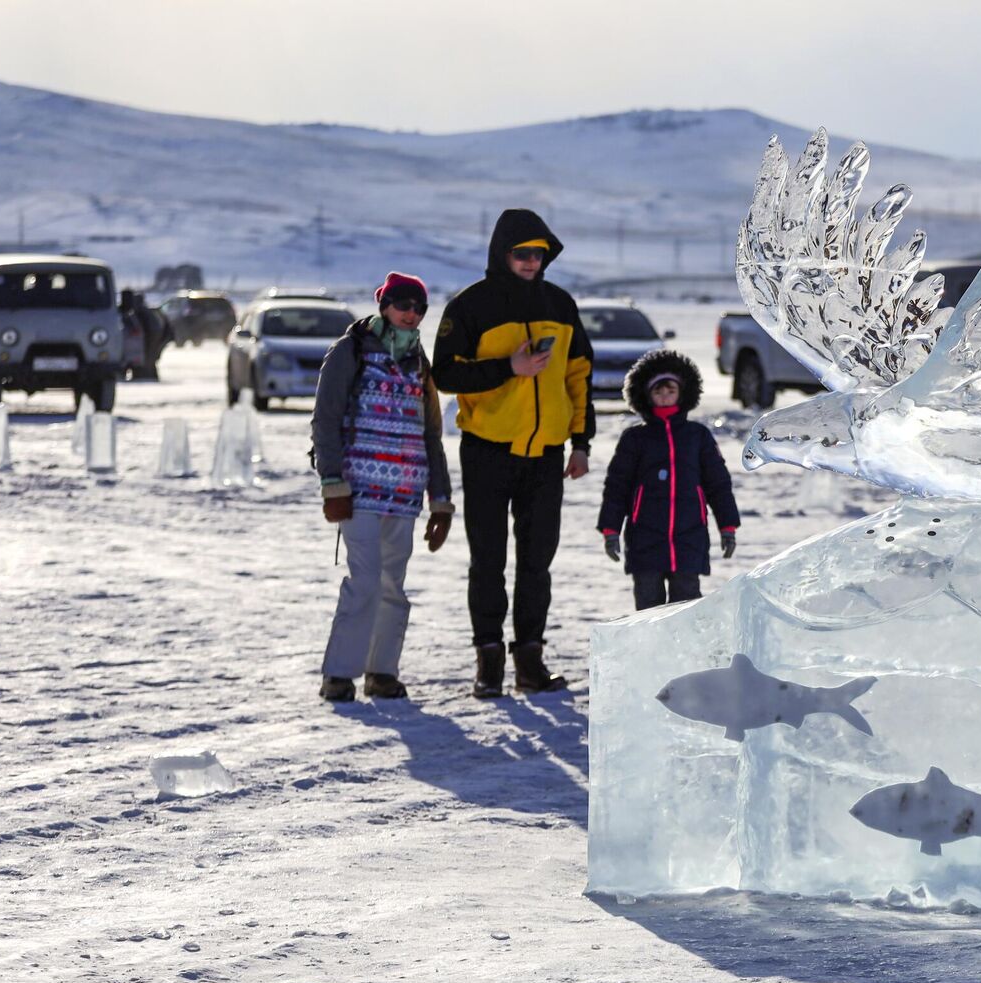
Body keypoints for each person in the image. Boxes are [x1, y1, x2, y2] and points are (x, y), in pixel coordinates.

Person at [432, 209, 595, 698]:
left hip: (545, 455)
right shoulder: (470, 306)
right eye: (522, 253)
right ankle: (489, 664)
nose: (530, 261)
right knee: (488, 561)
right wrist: (509, 367)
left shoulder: (561, 304)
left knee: (536, 563)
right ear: (502, 253)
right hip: (487, 452)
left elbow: (578, 376)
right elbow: (446, 375)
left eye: (538, 254)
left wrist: (581, 442)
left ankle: (530, 662)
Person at [311, 272, 453, 702]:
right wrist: (332, 482)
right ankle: (339, 673)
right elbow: (326, 419)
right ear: (384, 305)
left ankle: (382, 672)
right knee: (366, 580)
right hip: (358, 491)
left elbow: (431, 434)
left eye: (419, 308)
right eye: (403, 305)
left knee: (393, 584)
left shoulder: (420, 363)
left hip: (405, 493)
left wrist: (441, 499)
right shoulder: (350, 351)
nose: (411, 314)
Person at [598, 351, 740, 610]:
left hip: (689, 536)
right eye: (658, 392)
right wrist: (610, 529)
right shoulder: (635, 439)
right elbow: (617, 486)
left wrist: (727, 525)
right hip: (645, 536)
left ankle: (685, 652)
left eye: (670, 390)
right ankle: (649, 651)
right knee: (648, 605)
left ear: (682, 393)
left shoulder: (697, 436)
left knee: (685, 605)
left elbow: (718, 484)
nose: (664, 396)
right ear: (646, 396)